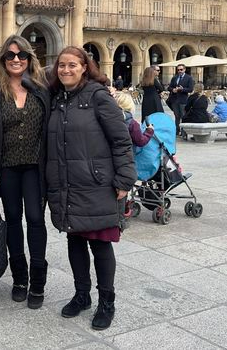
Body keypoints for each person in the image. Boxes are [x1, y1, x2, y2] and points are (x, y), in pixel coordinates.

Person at [46, 46, 136, 331]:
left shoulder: (98, 96)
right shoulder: (56, 98)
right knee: (75, 240)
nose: (66, 70)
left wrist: (125, 178)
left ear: (85, 67)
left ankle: (107, 302)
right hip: (67, 183)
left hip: (96, 184)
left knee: (100, 244)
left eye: (72, 65)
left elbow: (121, 139)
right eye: (61, 65)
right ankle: (82, 295)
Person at [0, 35, 49, 308]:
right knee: (12, 220)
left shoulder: (42, 88)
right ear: (3, 59)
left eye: (21, 55)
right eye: (10, 55)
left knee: (35, 218)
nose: (16, 59)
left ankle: (38, 282)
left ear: (29, 59)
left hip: (35, 167)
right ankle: (20, 278)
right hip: (6, 167)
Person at [167, 64, 194, 136]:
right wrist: (173, 89)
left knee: (183, 116)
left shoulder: (189, 78)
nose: (179, 71)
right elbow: (169, 87)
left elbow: (190, 89)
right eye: (178, 70)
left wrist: (182, 89)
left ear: (184, 70)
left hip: (183, 100)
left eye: (181, 69)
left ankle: (184, 132)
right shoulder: (174, 78)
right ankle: (177, 131)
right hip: (174, 100)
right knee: (176, 116)